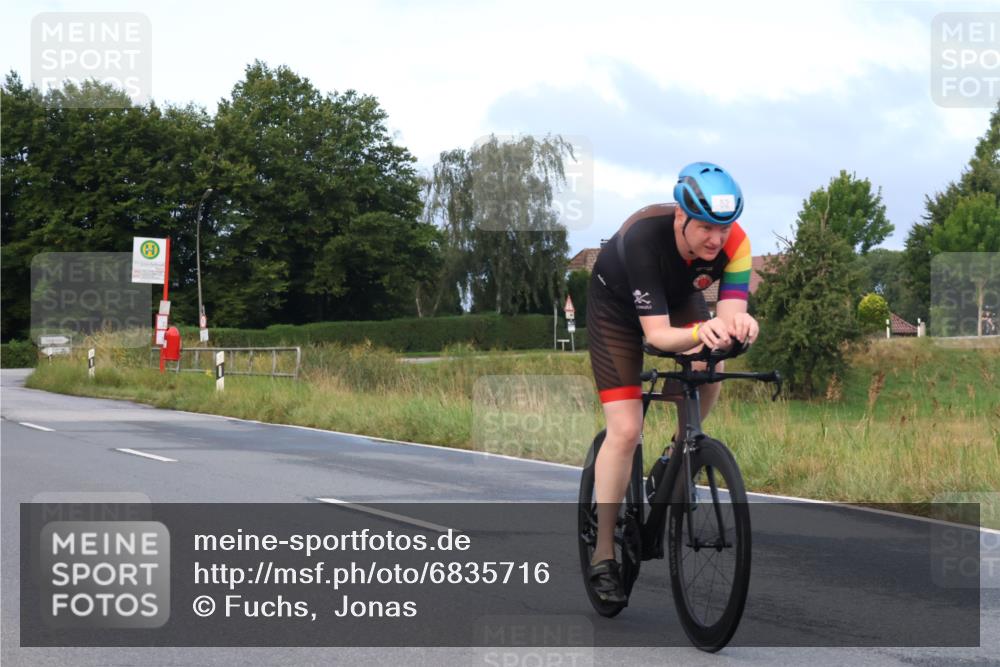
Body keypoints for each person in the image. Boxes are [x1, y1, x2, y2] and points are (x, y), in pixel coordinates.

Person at [585, 162, 760, 602]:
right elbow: (658, 337)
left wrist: (740, 328)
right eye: (705, 228)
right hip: (617, 310)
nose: (716, 240)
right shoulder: (646, 237)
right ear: (681, 216)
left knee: (712, 363)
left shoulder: (735, 244)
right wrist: (702, 333)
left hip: (677, 299)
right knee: (625, 429)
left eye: (724, 228)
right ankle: (603, 553)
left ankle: (676, 453)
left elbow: (725, 320)